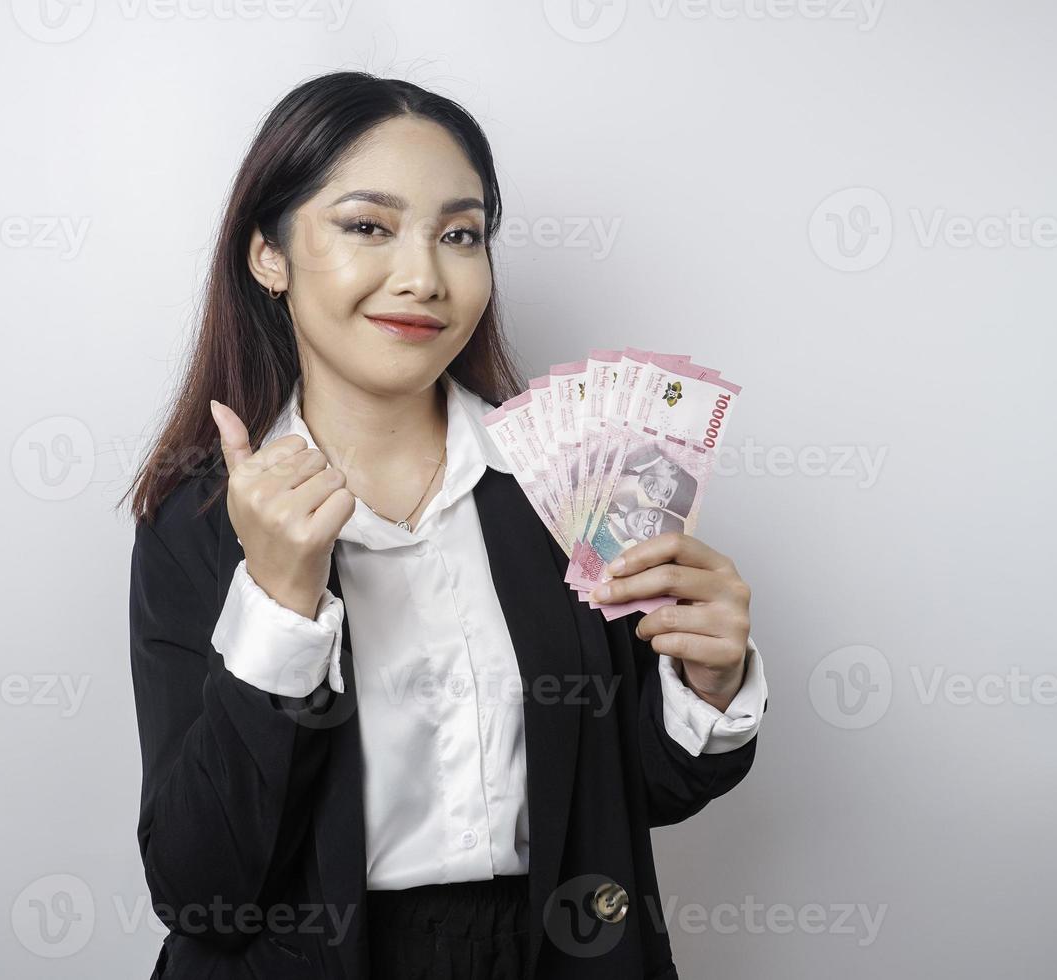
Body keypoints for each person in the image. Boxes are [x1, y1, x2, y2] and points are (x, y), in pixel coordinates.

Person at [123, 70, 768, 980]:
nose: (423, 276)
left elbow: (643, 791)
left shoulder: (566, 486)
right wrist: (277, 602)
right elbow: (198, 883)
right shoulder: (199, 521)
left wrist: (711, 680)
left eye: (459, 234)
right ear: (268, 254)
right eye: (367, 227)